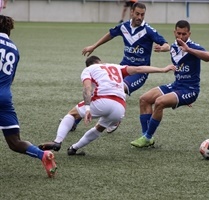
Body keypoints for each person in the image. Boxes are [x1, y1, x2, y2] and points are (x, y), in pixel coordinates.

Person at [38, 56, 175, 154]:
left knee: (72, 114)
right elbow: (139, 69)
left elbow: (87, 89)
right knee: (99, 128)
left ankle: (58, 141)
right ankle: (74, 148)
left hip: (102, 100)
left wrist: (87, 109)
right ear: (100, 62)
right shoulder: (115, 67)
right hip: (120, 107)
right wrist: (162, 69)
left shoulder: (89, 70)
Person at [80, 2, 170, 133]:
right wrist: (94, 46)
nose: (140, 17)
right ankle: (76, 117)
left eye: (142, 14)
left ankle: (115, 119)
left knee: (119, 88)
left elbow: (166, 44)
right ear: (132, 12)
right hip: (123, 68)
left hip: (140, 72)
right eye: (137, 14)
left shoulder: (148, 30)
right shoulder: (124, 27)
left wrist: (163, 48)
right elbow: (110, 34)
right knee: (95, 89)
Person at [130, 20, 209, 148]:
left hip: (190, 89)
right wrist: (163, 48)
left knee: (159, 102)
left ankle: (147, 137)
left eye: (184, 34)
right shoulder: (174, 47)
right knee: (144, 99)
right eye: (178, 33)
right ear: (174, 32)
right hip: (176, 86)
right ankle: (147, 137)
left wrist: (189, 49)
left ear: (189, 33)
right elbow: (169, 47)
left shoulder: (193, 46)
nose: (180, 37)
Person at [0, 15, 57, 178]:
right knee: (15, 142)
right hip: (4, 97)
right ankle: (42, 155)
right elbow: (10, 78)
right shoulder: (14, 49)